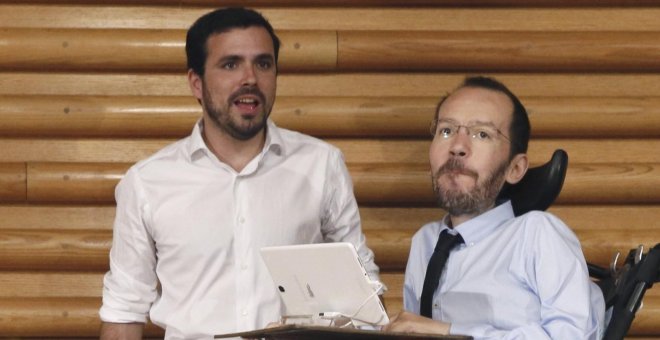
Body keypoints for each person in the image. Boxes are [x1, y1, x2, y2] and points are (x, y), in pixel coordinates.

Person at [99, 7, 380, 340]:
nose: (250, 78)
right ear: (196, 83)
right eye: (230, 64)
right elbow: (124, 312)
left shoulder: (322, 166)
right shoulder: (146, 183)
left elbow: (364, 299)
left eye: (263, 63)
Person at [384, 76, 605, 339]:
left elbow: (571, 336)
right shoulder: (425, 242)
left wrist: (451, 333)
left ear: (515, 168)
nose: (457, 147)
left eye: (482, 134)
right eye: (446, 130)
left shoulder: (537, 234)